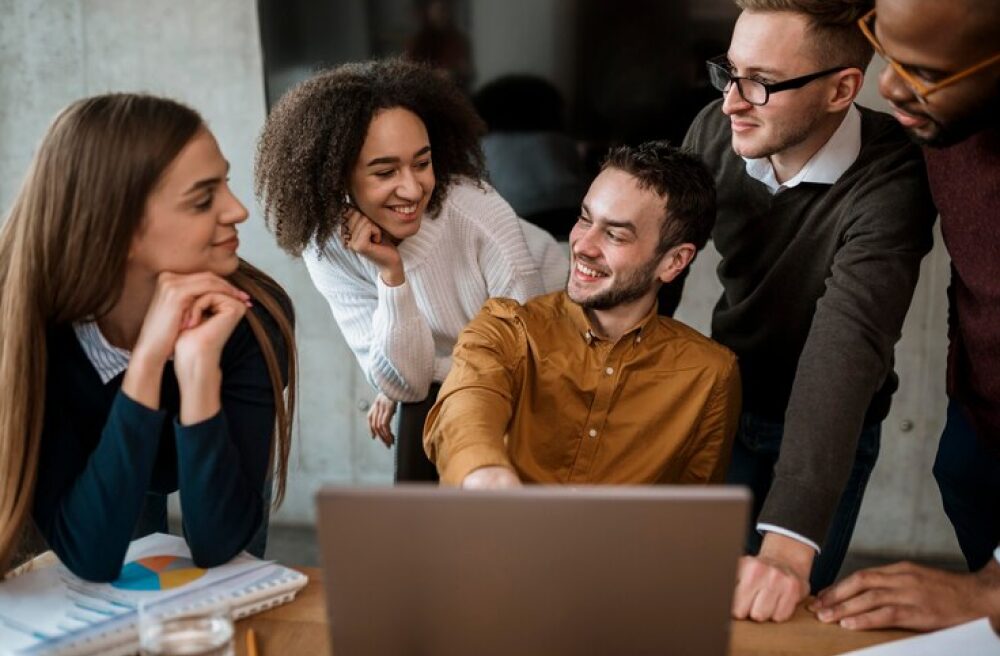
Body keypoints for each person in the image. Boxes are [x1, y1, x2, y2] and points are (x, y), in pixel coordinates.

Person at [682, 0, 937, 622]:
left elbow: (846, 347)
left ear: (841, 89)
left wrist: (790, 545)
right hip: (727, 398)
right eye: (730, 71)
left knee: (774, 613)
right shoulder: (718, 131)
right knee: (693, 603)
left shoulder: (895, 176)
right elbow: (657, 264)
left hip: (831, 426)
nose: (732, 102)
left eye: (762, 84)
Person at [0, 93, 296, 582]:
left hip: (190, 458)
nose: (239, 210)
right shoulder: (26, 330)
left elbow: (222, 546)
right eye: (204, 198)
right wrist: (146, 365)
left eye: (226, 184)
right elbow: (91, 555)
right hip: (102, 469)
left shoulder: (250, 317)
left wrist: (198, 370)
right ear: (119, 228)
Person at [254, 59, 566, 483]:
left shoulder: (475, 211)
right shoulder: (326, 247)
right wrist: (391, 275)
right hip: (463, 363)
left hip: (557, 339)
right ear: (335, 179)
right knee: (418, 423)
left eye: (422, 163)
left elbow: (526, 357)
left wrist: (414, 377)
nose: (413, 188)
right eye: (385, 171)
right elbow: (407, 384)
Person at [811, 0, 1000, 631]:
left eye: (922, 69)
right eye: (885, 50)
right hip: (978, 427)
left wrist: (992, 595)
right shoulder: (940, 117)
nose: (887, 84)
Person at [423, 141, 740, 488]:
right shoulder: (507, 328)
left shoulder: (710, 375)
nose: (583, 246)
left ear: (673, 261)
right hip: (504, 536)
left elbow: (694, 519)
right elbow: (465, 405)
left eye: (615, 235)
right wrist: (483, 472)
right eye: (585, 218)